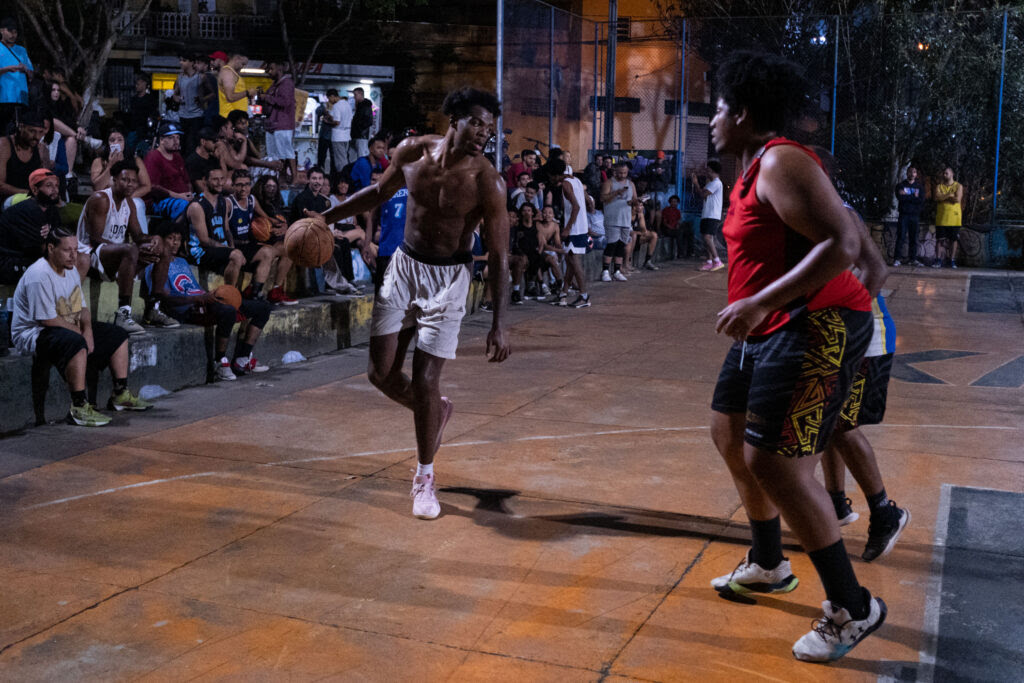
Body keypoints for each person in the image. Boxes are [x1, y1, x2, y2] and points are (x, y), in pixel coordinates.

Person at [707, 51, 884, 663]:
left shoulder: (783, 160)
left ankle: (852, 605)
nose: (712, 118)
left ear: (745, 112)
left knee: (776, 464)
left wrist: (761, 300)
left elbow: (845, 242)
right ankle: (768, 561)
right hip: (771, 324)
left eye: (721, 107)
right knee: (728, 435)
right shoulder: (752, 166)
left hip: (816, 322)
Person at [307, 87, 511, 519]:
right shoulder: (411, 153)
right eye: (476, 122)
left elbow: (498, 255)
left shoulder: (487, 180)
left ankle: (424, 478)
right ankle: (437, 411)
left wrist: (499, 323)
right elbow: (377, 194)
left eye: (489, 128)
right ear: (453, 118)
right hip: (404, 268)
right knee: (379, 374)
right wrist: (325, 218)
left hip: (449, 279)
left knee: (424, 380)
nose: (483, 134)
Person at [822, 204, 910, 561]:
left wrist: (849, 321)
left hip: (864, 337)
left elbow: (873, 271)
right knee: (827, 423)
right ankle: (835, 503)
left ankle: (884, 511)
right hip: (836, 333)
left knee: (841, 423)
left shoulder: (838, 213)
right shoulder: (804, 212)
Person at [11, 227, 152, 426]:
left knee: (118, 334)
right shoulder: (39, 275)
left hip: (63, 327)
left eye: (76, 250)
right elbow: (47, 320)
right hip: (33, 334)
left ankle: (120, 394)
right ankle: (78, 406)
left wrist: (88, 331)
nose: (73, 255)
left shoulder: (70, 271)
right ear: (51, 248)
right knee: (76, 342)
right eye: (67, 250)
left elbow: (82, 309)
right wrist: (81, 334)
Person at [145, 218, 271, 380]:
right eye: (170, 238)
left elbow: (195, 288)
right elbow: (163, 297)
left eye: (178, 239)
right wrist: (196, 299)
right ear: (160, 240)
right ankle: (220, 362)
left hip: (204, 301)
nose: (175, 243)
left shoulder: (183, 262)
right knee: (227, 311)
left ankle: (242, 358)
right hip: (188, 309)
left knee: (263, 308)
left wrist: (210, 295)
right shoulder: (153, 266)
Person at [77, 159, 176, 333]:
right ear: (113, 180)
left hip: (120, 256)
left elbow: (138, 236)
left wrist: (154, 239)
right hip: (91, 255)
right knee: (130, 249)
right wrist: (134, 251)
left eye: (133, 180)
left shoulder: (128, 202)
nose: (130, 184)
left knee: (165, 248)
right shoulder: (101, 199)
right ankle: (123, 314)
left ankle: (153, 308)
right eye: (125, 180)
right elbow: (95, 239)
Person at [227, 169, 295, 305]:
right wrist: (232, 250)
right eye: (239, 185)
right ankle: (252, 292)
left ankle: (266, 291)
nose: (243, 188)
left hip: (249, 244)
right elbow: (226, 230)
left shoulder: (251, 199)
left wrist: (282, 225)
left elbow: (265, 217)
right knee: (267, 252)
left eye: (246, 184)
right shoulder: (228, 202)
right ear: (233, 185)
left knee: (289, 249)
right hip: (236, 245)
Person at [0, 169, 66, 284]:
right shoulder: (25, 211)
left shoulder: (52, 210)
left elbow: (60, 238)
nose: (55, 190)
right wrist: (52, 238)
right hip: (11, 262)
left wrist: (51, 237)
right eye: (49, 186)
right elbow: (42, 248)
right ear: (35, 190)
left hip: (32, 259)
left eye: (56, 185)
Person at [185, 166, 244, 286]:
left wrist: (232, 247)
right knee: (236, 256)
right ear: (204, 181)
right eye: (215, 179)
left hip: (218, 249)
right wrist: (229, 250)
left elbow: (226, 230)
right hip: (200, 252)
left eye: (222, 179)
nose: (220, 183)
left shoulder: (223, 201)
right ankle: (230, 295)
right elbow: (204, 240)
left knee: (242, 256)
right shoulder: (197, 206)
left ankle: (249, 294)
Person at [551, 158, 590, 307]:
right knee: (570, 261)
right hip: (580, 226)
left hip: (575, 228)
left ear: (555, 174)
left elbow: (576, 207)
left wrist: (567, 228)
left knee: (574, 262)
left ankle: (584, 295)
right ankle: (563, 294)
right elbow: (586, 203)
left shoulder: (566, 185)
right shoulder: (576, 181)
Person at [144, 122, 193, 221]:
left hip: (183, 197)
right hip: (160, 202)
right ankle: (180, 233)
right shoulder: (153, 157)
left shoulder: (177, 156)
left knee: (207, 202)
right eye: (171, 138)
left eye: (178, 137)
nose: (176, 141)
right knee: (189, 207)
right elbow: (153, 187)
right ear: (161, 140)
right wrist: (179, 196)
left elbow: (187, 181)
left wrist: (189, 194)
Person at [0, 112, 49, 205]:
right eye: (32, 131)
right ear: (21, 127)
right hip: (7, 199)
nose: (37, 137)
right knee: (33, 203)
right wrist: (28, 193)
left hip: (32, 198)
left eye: (41, 132)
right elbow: (0, 186)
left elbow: (45, 181)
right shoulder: (4, 144)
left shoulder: (40, 149)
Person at [600, 161, 635, 282]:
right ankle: (605, 270)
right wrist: (616, 193)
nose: (622, 175)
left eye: (625, 173)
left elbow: (633, 199)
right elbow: (603, 198)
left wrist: (636, 202)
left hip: (625, 219)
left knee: (621, 245)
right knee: (611, 245)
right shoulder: (609, 183)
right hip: (612, 219)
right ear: (615, 171)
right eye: (620, 173)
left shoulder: (631, 184)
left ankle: (617, 271)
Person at [263, 61, 297, 183]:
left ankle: (294, 178)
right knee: (274, 155)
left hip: (283, 124)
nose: (269, 71)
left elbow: (285, 102)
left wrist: (267, 98)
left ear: (280, 69)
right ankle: (278, 178)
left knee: (287, 152)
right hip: (272, 124)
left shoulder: (286, 83)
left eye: (271, 68)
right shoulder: (274, 85)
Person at [0, 16, 32, 136]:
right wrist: (7, 69)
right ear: (2, 30)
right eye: (10, 31)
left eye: (15, 32)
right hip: (3, 98)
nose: (13, 35)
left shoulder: (22, 50)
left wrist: (26, 70)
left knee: (18, 133)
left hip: (21, 98)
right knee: (4, 133)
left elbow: (31, 73)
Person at [692, 160, 725, 271]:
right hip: (707, 213)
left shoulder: (716, 183)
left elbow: (702, 194)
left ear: (712, 170)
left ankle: (717, 260)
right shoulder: (711, 183)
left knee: (707, 237)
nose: (706, 172)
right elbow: (704, 194)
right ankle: (709, 261)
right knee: (706, 237)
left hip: (712, 214)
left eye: (708, 170)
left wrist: (696, 183)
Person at [893, 166, 924, 267]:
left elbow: (920, 200)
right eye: (910, 172)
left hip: (914, 216)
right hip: (904, 215)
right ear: (907, 173)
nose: (912, 174)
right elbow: (900, 198)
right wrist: (913, 196)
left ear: (916, 174)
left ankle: (913, 259)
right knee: (901, 237)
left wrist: (907, 195)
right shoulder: (900, 185)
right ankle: (897, 259)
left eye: (914, 172)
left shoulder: (919, 187)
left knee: (913, 238)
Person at [933, 166, 963, 268]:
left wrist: (944, 197)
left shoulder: (958, 186)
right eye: (943, 173)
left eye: (946, 173)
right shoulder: (939, 186)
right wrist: (950, 195)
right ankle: (938, 260)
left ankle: (952, 260)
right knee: (939, 240)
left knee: (953, 240)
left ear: (952, 174)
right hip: (941, 218)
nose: (944, 175)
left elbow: (957, 199)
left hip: (954, 219)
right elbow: (937, 197)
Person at [127, 74, 158, 153]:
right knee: (131, 148)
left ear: (144, 84)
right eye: (136, 84)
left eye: (138, 84)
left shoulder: (150, 99)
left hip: (145, 130)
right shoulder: (134, 99)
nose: (136, 86)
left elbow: (154, 113)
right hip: (134, 128)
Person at [184, 126, 220, 194]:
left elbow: (222, 178)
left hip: (215, 191)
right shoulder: (193, 161)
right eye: (213, 141)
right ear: (203, 141)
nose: (216, 144)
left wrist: (221, 158)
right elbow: (200, 188)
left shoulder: (213, 158)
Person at [624, 200, 659, 271]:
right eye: (640, 205)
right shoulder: (627, 214)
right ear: (634, 207)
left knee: (654, 235)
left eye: (642, 205)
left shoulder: (640, 214)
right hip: (626, 236)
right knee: (633, 235)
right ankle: (628, 262)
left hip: (637, 236)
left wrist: (639, 232)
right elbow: (626, 231)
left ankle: (648, 261)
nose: (642, 207)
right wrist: (637, 233)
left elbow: (644, 230)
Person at [218, 52, 254, 118]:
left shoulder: (233, 73)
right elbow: (230, 97)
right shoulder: (227, 72)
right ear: (237, 58)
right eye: (242, 64)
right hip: (230, 119)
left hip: (237, 119)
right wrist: (247, 92)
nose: (242, 67)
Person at [327, 89, 353, 176]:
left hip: (338, 136)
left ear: (333, 96)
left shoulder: (337, 106)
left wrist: (328, 122)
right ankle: (344, 176)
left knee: (340, 160)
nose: (329, 101)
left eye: (329, 98)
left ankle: (343, 178)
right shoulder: (348, 105)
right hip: (347, 135)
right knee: (344, 157)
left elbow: (337, 122)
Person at [199, 52, 224, 128]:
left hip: (210, 116)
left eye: (213, 60)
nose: (211, 62)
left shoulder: (208, 77)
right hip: (216, 114)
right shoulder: (213, 76)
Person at [350, 87, 374, 160]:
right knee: (357, 156)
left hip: (361, 135)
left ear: (361, 94)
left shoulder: (365, 106)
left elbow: (368, 121)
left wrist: (358, 127)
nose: (354, 97)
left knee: (361, 156)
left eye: (355, 95)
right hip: (358, 135)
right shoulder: (361, 106)